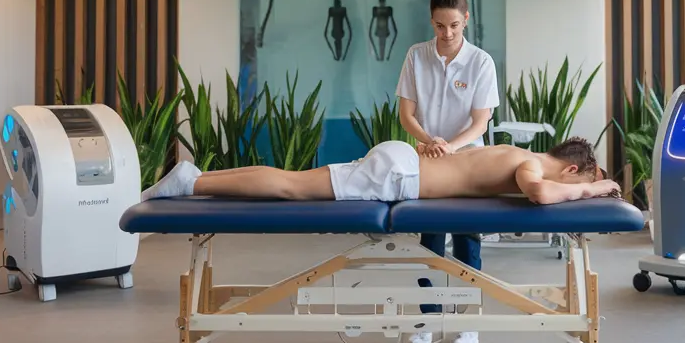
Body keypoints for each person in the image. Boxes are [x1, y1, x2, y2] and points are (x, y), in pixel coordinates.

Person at [395, 0, 499, 343]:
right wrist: (427, 141)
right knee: (430, 243)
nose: (447, 32)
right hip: (428, 160)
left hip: (469, 161)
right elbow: (406, 113)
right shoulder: (416, 56)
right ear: (432, 22)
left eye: (454, 24)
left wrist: (451, 146)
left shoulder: (481, 61)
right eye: (440, 25)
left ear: (466, 19)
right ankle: (428, 321)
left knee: (468, 240)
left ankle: (468, 326)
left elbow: (480, 122)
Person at [142, 136, 620, 207]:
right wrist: (592, 191)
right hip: (398, 177)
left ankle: (196, 176)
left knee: (294, 176)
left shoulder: (516, 149)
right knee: (292, 187)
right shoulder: (532, 164)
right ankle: (194, 182)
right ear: (574, 167)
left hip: (399, 165)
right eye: (581, 178)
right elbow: (538, 194)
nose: (579, 185)